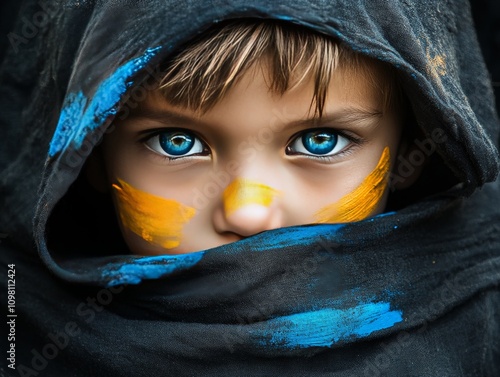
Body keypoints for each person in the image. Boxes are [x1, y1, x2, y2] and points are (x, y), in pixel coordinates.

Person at [1, 1, 499, 376]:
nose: (248, 214)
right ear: (89, 154)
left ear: (412, 147)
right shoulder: (15, 329)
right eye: (177, 143)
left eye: (319, 141)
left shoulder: (483, 328)